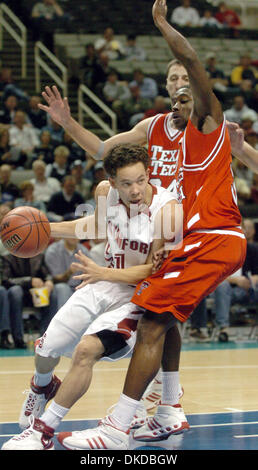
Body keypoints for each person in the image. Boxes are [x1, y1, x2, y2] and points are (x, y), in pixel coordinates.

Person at [53, 0, 247, 450]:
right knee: (163, 315)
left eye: (187, 87)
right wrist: (67, 124)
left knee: (152, 321)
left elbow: (195, 67)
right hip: (178, 233)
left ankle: (118, 426)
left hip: (211, 234)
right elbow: (105, 152)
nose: (181, 92)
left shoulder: (210, 125)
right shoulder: (155, 130)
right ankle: (168, 411)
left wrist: (162, 24)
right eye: (174, 87)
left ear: (198, 96)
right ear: (165, 92)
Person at [1, 143, 179, 449]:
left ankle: (41, 432)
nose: (135, 189)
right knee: (46, 348)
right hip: (102, 280)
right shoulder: (104, 192)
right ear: (111, 182)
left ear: (148, 173)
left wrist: (103, 273)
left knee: (85, 351)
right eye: (126, 184)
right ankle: (41, 386)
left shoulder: (168, 210)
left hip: (137, 294)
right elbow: (95, 226)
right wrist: (44, 229)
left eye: (140, 180)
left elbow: (153, 269)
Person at [1, 252, 57, 348]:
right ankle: (18, 338)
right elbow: (6, 280)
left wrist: (48, 282)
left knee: (52, 295)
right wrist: (29, 281)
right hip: (16, 295)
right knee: (15, 292)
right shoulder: (7, 257)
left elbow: (47, 274)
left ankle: (46, 337)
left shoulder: (39, 256)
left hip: (35, 294)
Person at [44, 237, 91, 309]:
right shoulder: (53, 250)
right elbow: (55, 279)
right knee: (62, 288)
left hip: (78, 287)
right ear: (64, 234)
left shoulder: (84, 251)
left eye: (76, 234)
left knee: (90, 289)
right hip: (56, 289)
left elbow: (90, 274)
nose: (74, 236)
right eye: (71, 233)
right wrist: (69, 273)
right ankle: (64, 319)